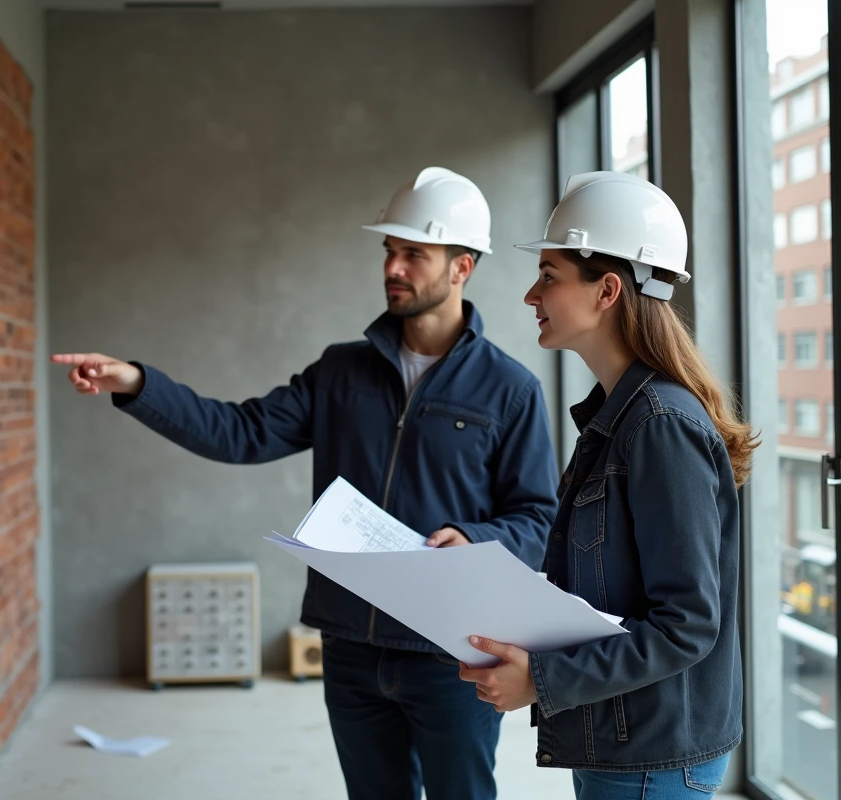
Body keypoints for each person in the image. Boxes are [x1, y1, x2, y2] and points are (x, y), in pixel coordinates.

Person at [52, 166, 560, 800]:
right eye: (389, 251)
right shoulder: (340, 371)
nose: (393, 268)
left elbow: (539, 519)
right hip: (349, 646)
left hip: (451, 655)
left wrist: (474, 537)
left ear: (462, 267)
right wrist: (136, 383)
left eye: (413, 254)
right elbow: (239, 432)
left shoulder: (510, 389)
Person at [457, 171, 756, 800]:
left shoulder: (658, 426)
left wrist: (542, 679)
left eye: (549, 276)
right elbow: (611, 589)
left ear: (607, 290)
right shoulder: (620, 415)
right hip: (629, 741)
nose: (530, 296)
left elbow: (686, 624)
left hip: (653, 755)